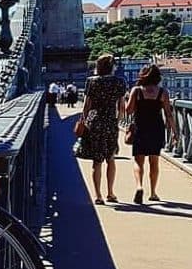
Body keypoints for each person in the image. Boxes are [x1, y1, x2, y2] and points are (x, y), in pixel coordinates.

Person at [76, 55, 126, 204]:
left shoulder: (92, 82)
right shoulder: (119, 82)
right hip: (110, 122)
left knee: (97, 161)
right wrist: (117, 120)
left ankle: (98, 196)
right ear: (112, 67)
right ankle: (110, 192)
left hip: (94, 122)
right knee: (110, 158)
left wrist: (83, 120)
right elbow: (121, 107)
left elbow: (86, 105)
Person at [125, 65, 178, 204]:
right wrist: (174, 132)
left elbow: (128, 111)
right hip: (156, 128)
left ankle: (139, 186)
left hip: (140, 127)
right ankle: (153, 193)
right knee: (154, 162)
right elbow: (169, 114)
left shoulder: (136, 91)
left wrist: (130, 101)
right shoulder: (162, 92)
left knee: (138, 161)